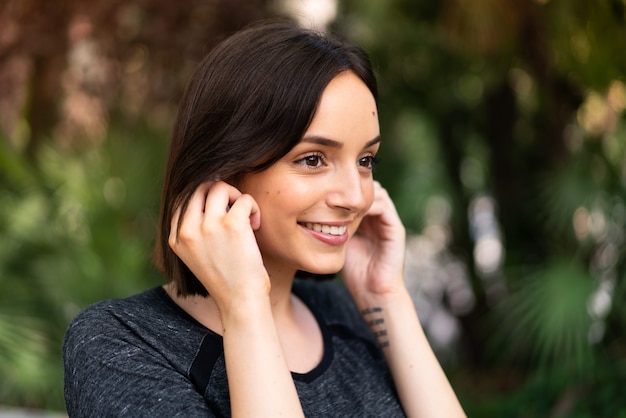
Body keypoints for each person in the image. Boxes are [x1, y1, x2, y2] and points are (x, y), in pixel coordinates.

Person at [63, 19, 466, 417]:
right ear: (221, 168)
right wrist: (245, 307)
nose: (356, 196)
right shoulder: (120, 343)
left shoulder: (342, 311)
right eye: (313, 159)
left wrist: (387, 298)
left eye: (365, 160)